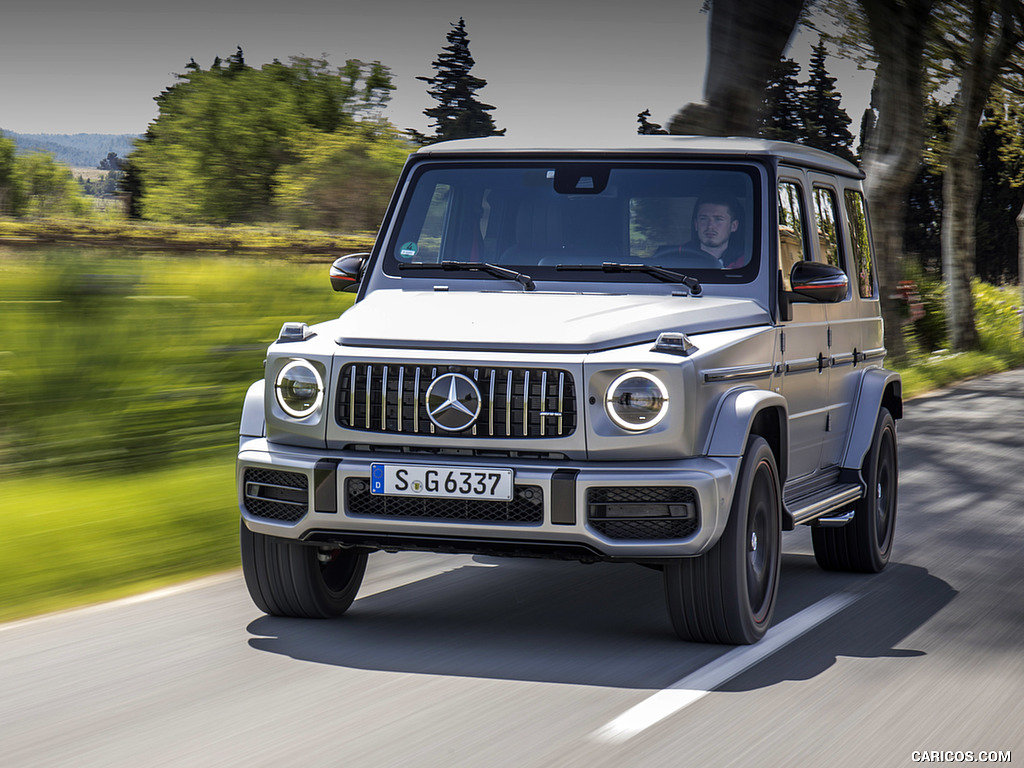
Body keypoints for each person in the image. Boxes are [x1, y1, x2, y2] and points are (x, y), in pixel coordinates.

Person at [692, 194, 746, 269]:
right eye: (703, 218)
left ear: (733, 226)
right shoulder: (679, 256)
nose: (710, 226)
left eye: (718, 219)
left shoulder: (745, 263)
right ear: (696, 224)